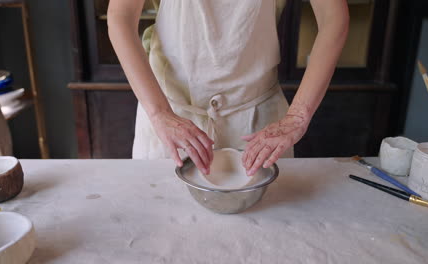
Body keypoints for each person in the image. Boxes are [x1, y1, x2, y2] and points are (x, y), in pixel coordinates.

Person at [108, 0, 349, 176]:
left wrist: (298, 116)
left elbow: (334, 18)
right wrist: (159, 113)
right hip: (170, 115)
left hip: (258, 122)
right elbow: (121, 15)